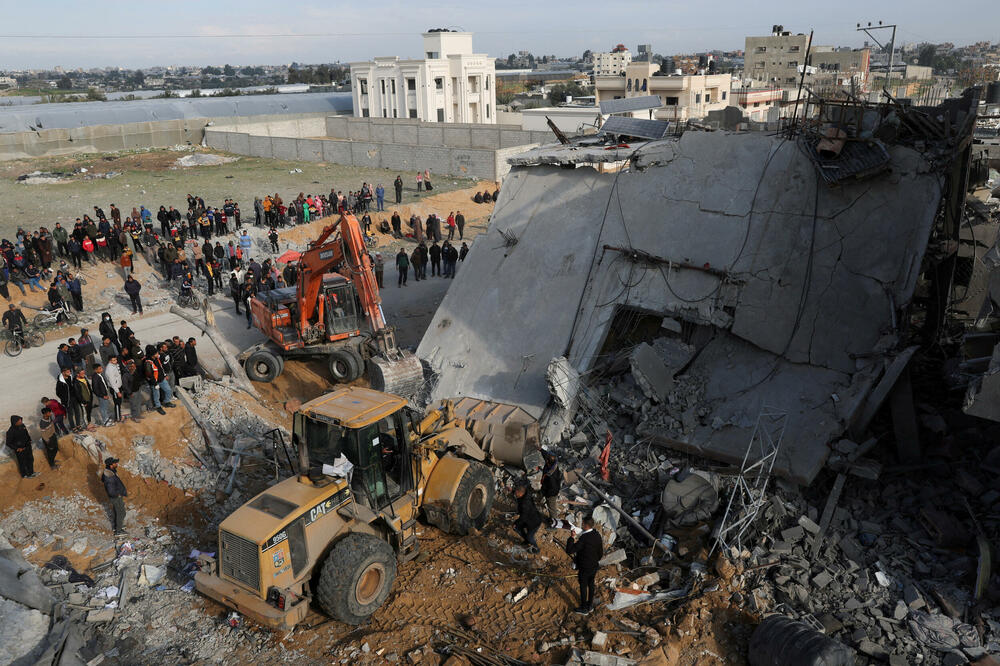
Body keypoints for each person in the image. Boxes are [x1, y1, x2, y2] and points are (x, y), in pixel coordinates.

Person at [565, 515, 604, 615]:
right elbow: (600, 552)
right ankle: (589, 605)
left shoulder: (584, 538)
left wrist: (572, 537)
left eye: (582, 524)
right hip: (594, 565)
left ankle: (584, 608)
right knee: (591, 585)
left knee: (583, 586)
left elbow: (570, 550)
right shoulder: (597, 534)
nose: (581, 525)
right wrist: (595, 560)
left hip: (585, 567)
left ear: (586, 525)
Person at [144, 346, 175, 414]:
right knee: (156, 395)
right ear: (152, 354)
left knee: (168, 390)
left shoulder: (156, 359)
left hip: (162, 379)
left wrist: (164, 375)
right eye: (156, 353)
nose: (158, 354)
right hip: (155, 382)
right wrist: (155, 384)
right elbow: (149, 375)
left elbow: (160, 368)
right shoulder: (148, 363)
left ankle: (166, 402)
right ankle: (158, 406)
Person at [102, 457, 128, 535]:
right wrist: (117, 494)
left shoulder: (111, 471)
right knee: (121, 513)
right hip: (116, 497)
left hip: (116, 495)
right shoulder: (109, 475)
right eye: (115, 463)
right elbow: (110, 489)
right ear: (111, 465)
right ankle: (118, 531)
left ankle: (117, 526)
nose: (117, 464)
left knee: (118, 512)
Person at [513, 484, 542, 553]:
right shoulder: (525, 495)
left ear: (521, 493)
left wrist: (516, 523)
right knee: (517, 528)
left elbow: (523, 517)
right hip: (530, 518)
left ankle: (536, 549)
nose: (515, 494)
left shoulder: (525, 503)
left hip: (534, 522)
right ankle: (527, 540)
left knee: (530, 536)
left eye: (516, 493)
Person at [541, 451, 562, 521]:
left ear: (547, 461)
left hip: (551, 494)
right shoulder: (553, 464)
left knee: (552, 509)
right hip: (548, 489)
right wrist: (541, 450)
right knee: (550, 506)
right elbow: (546, 455)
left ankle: (554, 523)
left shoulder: (551, 476)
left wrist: (547, 495)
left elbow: (553, 489)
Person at [105, 356, 124, 422]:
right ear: (110, 361)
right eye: (114, 360)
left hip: (118, 386)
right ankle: (118, 418)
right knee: (117, 403)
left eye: (116, 360)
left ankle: (119, 415)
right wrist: (117, 392)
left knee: (119, 402)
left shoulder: (115, 365)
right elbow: (112, 382)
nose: (116, 361)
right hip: (115, 388)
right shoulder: (110, 369)